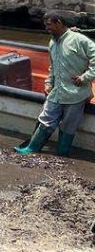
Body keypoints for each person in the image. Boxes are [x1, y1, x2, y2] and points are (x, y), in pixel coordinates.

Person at [15, 11, 95, 157]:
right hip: (57, 91)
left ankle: (62, 153)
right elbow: (53, 66)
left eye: (49, 25)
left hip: (75, 93)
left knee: (68, 126)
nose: (47, 28)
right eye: (45, 25)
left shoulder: (79, 40)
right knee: (46, 119)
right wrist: (48, 82)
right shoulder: (52, 42)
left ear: (59, 22)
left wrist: (85, 77)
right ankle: (32, 148)